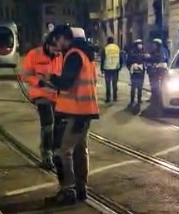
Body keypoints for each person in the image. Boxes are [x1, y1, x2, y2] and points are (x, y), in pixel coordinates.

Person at [45, 25, 99, 206]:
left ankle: (68, 190)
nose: (56, 43)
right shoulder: (86, 55)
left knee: (62, 152)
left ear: (64, 38)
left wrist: (51, 78)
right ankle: (81, 188)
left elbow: (66, 82)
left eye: (57, 39)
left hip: (75, 112)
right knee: (79, 150)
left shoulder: (74, 55)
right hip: (86, 111)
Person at [20, 32, 63, 170]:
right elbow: (25, 75)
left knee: (58, 125)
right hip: (41, 95)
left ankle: (55, 151)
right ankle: (46, 155)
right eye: (55, 49)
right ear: (47, 45)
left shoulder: (59, 56)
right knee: (48, 124)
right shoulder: (33, 54)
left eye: (59, 50)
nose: (57, 53)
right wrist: (38, 82)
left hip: (56, 95)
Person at [100, 36, 123, 103]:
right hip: (115, 68)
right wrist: (120, 66)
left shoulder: (105, 48)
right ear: (113, 41)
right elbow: (120, 58)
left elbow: (103, 59)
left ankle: (108, 98)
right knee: (114, 84)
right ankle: (115, 97)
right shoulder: (117, 48)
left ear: (108, 41)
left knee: (108, 84)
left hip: (107, 69)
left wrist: (101, 68)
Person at [146, 38, 168, 103]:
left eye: (155, 44)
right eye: (153, 44)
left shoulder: (162, 51)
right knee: (154, 85)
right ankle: (154, 97)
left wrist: (149, 58)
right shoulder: (155, 50)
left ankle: (158, 98)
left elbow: (161, 58)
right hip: (154, 71)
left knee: (158, 85)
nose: (153, 45)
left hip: (158, 70)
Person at [126, 39, 146, 109]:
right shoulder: (131, 53)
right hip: (134, 73)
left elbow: (145, 61)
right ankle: (132, 100)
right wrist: (131, 68)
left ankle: (139, 100)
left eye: (141, 44)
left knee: (140, 87)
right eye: (139, 44)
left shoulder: (143, 52)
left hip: (141, 72)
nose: (140, 45)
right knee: (134, 87)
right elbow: (128, 62)